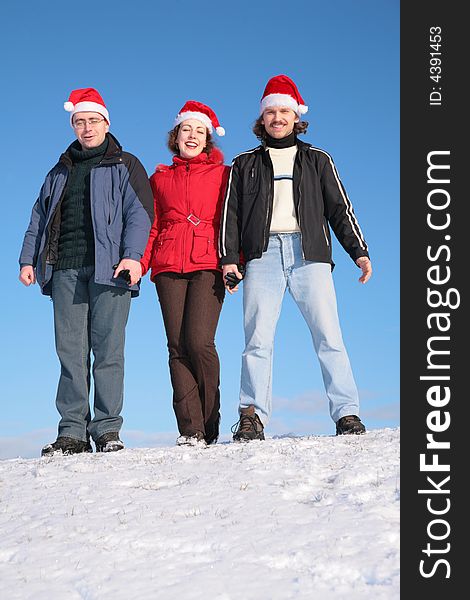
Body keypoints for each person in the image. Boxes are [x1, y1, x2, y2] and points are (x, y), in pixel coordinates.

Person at [219, 74, 372, 441]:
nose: (277, 117)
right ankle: (252, 416)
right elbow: (231, 215)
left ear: (295, 116)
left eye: (284, 111)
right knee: (257, 340)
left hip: (311, 253)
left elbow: (340, 209)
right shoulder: (244, 163)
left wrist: (359, 252)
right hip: (262, 255)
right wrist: (229, 260)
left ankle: (347, 413)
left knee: (328, 335)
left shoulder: (318, 159)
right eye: (270, 111)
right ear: (262, 119)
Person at [19, 88, 154, 456]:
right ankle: (73, 432)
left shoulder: (125, 164)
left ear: (106, 123)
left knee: (109, 350)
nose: (87, 127)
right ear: (73, 126)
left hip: (111, 271)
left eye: (93, 120)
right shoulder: (59, 170)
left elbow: (139, 214)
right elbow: (38, 218)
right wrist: (28, 260)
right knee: (70, 352)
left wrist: (133, 257)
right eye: (80, 121)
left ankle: (108, 429)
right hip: (64, 268)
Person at [141, 101, 229, 447]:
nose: (191, 136)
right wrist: (142, 264)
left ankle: (210, 422)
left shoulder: (224, 174)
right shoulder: (159, 178)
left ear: (207, 138)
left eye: (198, 131)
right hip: (167, 264)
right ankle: (190, 430)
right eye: (185, 130)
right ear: (175, 137)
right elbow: (151, 225)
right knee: (177, 347)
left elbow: (230, 220)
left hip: (208, 262)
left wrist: (232, 260)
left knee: (199, 342)